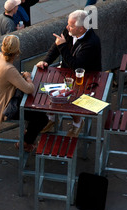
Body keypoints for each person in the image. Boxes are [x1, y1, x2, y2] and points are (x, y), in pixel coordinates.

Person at [36, 9, 102, 137]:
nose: (67, 27)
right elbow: (56, 46)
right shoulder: (69, 30)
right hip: (67, 71)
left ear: (81, 29)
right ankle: (51, 118)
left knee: (71, 98)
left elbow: (77, 66)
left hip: (87, 77)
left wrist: (62, 46)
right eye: (68, 24)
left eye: (71, 25)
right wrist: (46, 61)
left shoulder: (91, 43)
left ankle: (78, 123)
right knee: (51, 92)